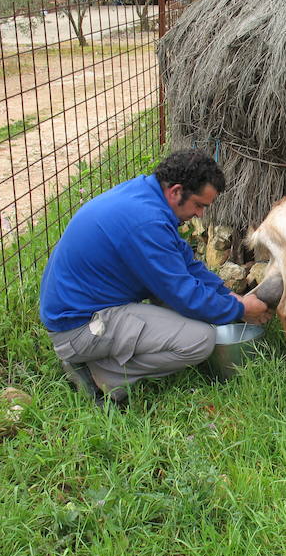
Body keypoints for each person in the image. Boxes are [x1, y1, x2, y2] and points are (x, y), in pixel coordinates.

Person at [39, 148, 271, 406]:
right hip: (78, 327)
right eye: (199, 205)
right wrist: (239, 309)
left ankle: (100, 359)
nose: (201, 214)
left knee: (191, 310)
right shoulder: (146, 223)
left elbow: (185, 265)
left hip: (83, 310)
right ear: (176, 191)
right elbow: (185, 295)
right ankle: (101, 374)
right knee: (200, 340)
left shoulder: (146, 196)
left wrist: (227, 295)